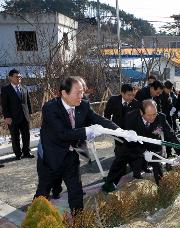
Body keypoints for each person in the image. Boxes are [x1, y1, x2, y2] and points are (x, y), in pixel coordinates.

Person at [34, 76, 119, 213]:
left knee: (76, 192)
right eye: (77, 92)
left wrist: (119, 130)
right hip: (51, 156)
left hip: (71, 154)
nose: (82, 96)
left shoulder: (83, 104)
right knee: (43, 192)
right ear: (64, 93)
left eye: (82, 92)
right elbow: (63, 133)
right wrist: (88, 131)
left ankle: (78, 224)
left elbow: (97, 119)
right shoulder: (50, 108)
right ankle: (35, 221)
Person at [103, 100, 180, 191]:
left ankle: (162, 189)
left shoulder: (161, 117)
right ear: (141, 112)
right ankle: (109, 184)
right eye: (149, 115)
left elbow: (171, 135)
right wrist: (143, 152)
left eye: (154, 114)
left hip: (153, 146)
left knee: (157, 166)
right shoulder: (131, 117)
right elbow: (130, 140)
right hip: (133, 146)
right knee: (122, 162)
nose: (152, 118)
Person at [1, 69, 34, 160]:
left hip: (24, 116)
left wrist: (30, 113)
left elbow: (28, 102)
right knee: (15, 136)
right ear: (10, 78)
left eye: (20, 76)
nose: (19, 78)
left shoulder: (24, 87)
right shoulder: (5, 89)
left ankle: (26, 152)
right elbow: (4, 105)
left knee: (26, 135)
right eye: (16, 77)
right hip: (12, 118)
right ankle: (18, 153)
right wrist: (7, 117)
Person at [161, 80, 177, 157]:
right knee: (163, 137)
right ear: (164, 88)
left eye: (171, 89)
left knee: (169, 137)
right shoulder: (161, 96)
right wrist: (168, 112)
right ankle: (164, 153)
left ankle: (169, 152)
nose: (170, 90)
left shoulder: (169, 94)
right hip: (163, 120)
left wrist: (173, 108)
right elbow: (161, 109)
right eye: (169, 89)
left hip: (170, 119)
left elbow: (170, 105)